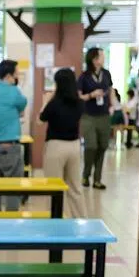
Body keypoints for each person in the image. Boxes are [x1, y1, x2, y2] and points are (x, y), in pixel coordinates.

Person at [0, 59, 27, 211]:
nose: (18, 76)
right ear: (9, 75)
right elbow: (22, 107)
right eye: (16, 73)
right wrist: (17, 86)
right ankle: (12, 221)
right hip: (10, 145)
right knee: (13, 187)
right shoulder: (14, 91)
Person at [39, 67, 83, 216]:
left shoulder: (54, 103)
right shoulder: (79, 103)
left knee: (53, 186)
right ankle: (81, 221)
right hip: (75, 146)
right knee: (75, 188)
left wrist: (45, 101)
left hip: (55, 147)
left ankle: (57, 220)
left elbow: (41, 119)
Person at [78, 47, 114, 189]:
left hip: (104, 115)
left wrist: (112, 106)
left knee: (103, 146)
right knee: (91, 145)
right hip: (89, 116)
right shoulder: (84, 76)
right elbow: (79, 96)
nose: (103, 58)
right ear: (94, 59)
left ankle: (97, 179)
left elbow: (110, 90)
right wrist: (91, 95)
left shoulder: (106, 74)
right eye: (101, 56)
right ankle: (86, 175)